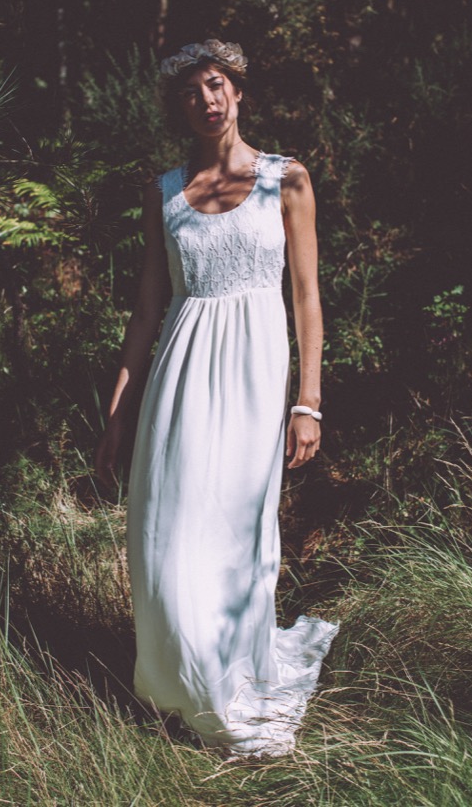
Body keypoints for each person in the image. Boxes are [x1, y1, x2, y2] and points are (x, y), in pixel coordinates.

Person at [95, 39, 338, 757]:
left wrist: (308, 402)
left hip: (256, 381)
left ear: (237, 91)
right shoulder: (165, 192)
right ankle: (181, 682)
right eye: (191, 92)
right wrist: (118, 413)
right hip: (180, 378)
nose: (206, 100)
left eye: (215, 85)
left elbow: (306, 298)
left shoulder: (286, 179)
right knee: (165, 538)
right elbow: (148, 309)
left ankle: (229, 684)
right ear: (179, 108)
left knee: (234, 538)